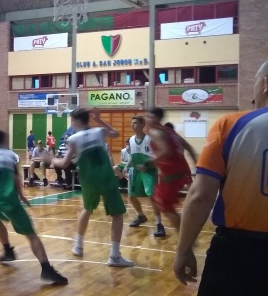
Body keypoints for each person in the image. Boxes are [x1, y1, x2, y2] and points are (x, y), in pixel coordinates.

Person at [173, 61, 268, 296]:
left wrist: (183, 250)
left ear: (266, 85)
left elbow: (200, 195)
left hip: (235, 259)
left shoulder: (231, 125)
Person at [0, 129, 67, 285]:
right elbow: (16, 177)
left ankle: (8, 250)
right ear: (4, 141)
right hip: (8, 198)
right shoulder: (10, 155)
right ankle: (46, 269)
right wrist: (22, 196)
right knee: (31, 235)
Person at [49, 108, 133, 267]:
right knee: (117, 214)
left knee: (87, 209)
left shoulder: (73, 138)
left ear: (78, 121)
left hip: (88, 180)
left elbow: (65, 163)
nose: (72, 124)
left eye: (73, 121)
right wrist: (99, 119)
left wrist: (51, 159)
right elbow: (115, 134)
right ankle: (114, 256)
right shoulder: (99, 131)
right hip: (106, 177)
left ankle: (78, 246)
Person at [145, 107, 197, 237]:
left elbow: (166, 151)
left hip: (170, 172)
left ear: (156, 118)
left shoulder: (155, 132)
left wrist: (150, 161)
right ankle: (185, 233)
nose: (146, 119)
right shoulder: (169, 131)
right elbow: (189, 147)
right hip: (182, 171)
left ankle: (184, 238)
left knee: (165, 205)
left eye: (148, 116)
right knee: (168, 205)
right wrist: (196, 167)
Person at [118, 115, 163, 233]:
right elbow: (132, 157)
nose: (133, 125)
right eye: (132, 123)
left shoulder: (149, 139)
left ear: (143, 125)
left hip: (149, 172)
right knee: (131, 197)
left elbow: (157, 157)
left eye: (136, 123)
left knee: (152, 197)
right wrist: (127, 167)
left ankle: (159, 224)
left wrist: (146, 165)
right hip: (137, 171)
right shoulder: (131, 139)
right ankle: (141, 216)